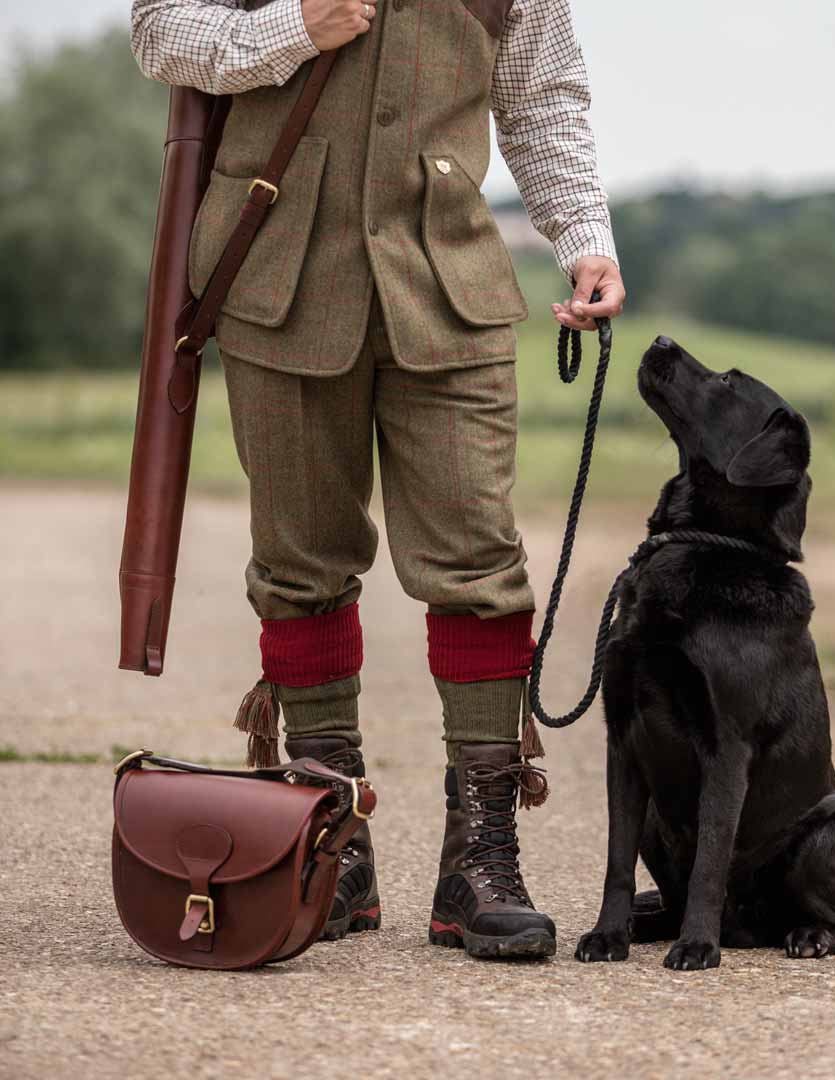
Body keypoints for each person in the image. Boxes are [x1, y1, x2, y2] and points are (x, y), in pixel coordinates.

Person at [129, 0, 624, 959]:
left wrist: (583, 236)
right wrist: (291, 29)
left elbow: (543, 97)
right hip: (274, 273)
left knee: (481, 561)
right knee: (300, 564)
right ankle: (329, 844)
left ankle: (480, 860)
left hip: (449, 282)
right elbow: (159, 31)